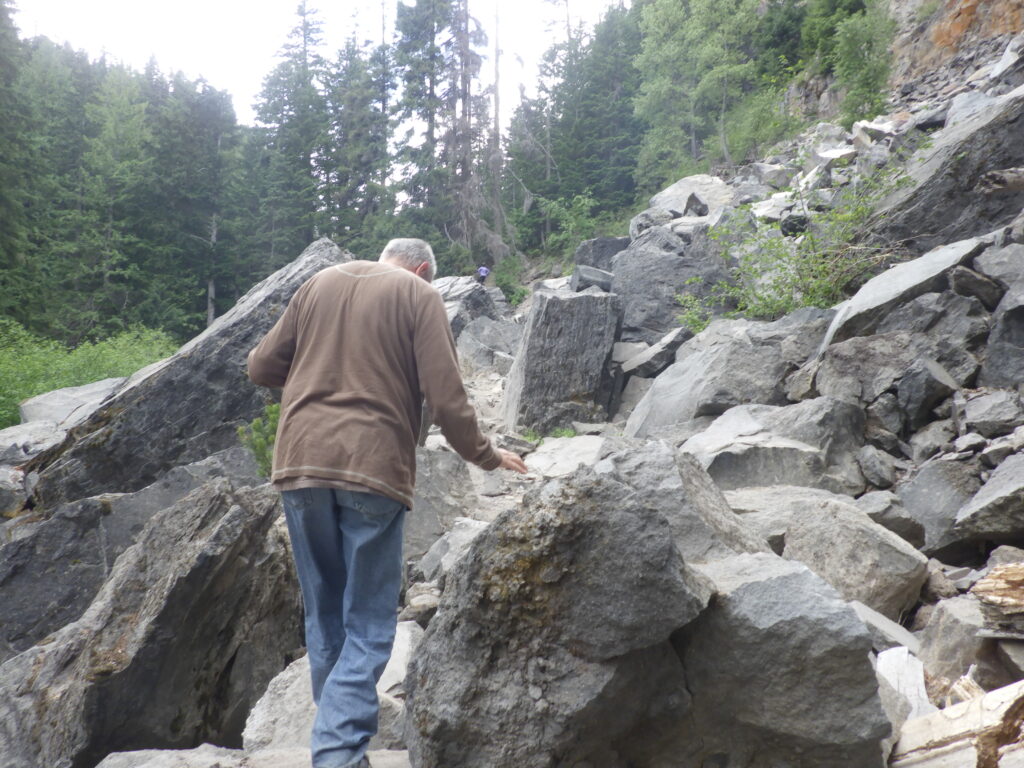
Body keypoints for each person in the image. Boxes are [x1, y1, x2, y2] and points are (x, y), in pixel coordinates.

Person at [247, 238, 527, 768]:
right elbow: (446, 399)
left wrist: (316, 377)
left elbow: (260, 367)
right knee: (369, 625)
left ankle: (338, 746)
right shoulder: (419, 296)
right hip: (372, 467)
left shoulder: (318, 283)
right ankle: (338, 755)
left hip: (300, 463)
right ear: (421, 269)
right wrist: (487, 456)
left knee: (325, 614)